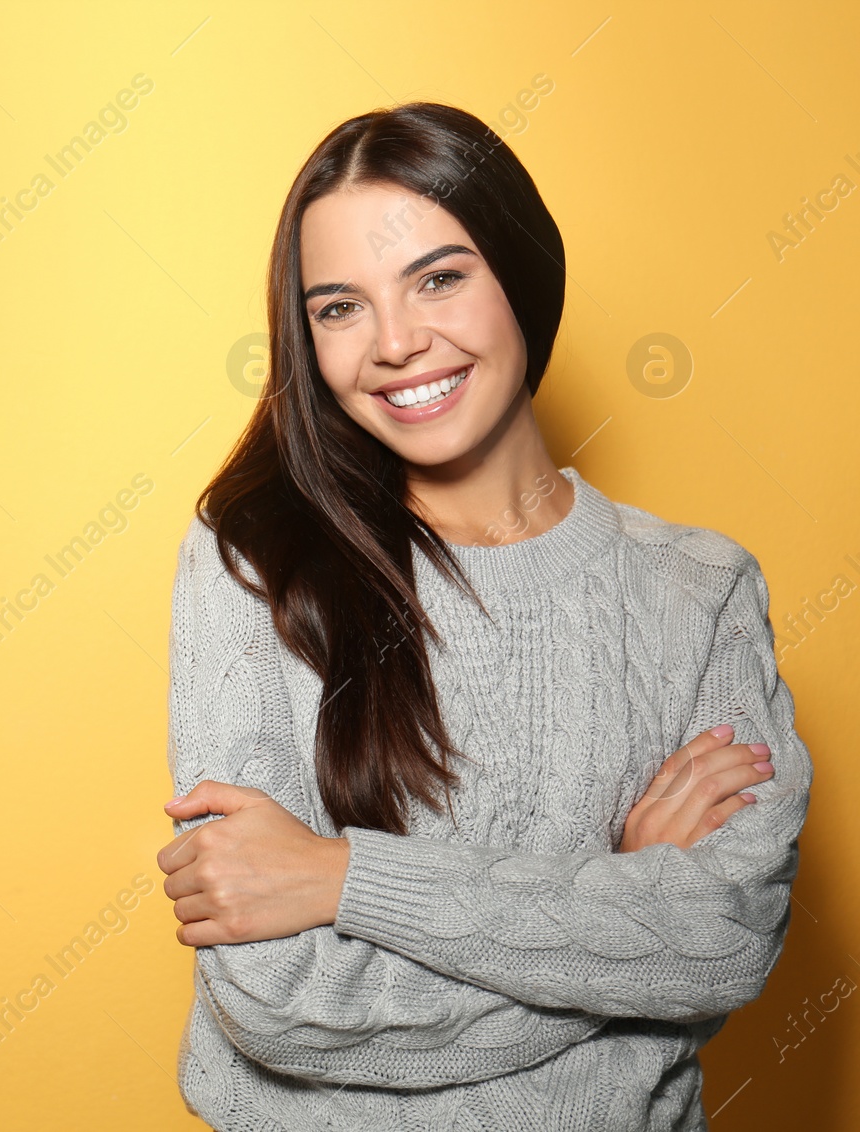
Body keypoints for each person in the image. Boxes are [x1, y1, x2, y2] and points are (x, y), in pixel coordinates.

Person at [154, 102, 812, 1131]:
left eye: (439, 277)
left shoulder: (699, 590)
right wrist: (625, 901)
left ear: (521, 272)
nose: (397, 343)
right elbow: (276, 1000)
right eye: (339, 307)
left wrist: (345, 880)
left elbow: (722, 941)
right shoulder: (257, 561)